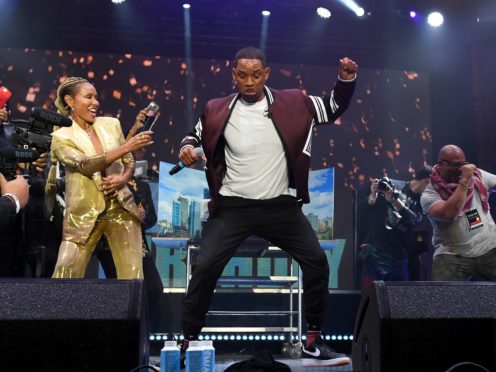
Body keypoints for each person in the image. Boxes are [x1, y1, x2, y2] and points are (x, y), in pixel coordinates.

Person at [176, 46, 357, 364]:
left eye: (256, 75)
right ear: (233, 75)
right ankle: (188, 340)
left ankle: (313, 342)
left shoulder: (295, 102)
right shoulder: (217, 108)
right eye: (243, 75)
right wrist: (187, 148)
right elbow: (194, 136)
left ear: (267, 74)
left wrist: (346, 79)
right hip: (233, 208)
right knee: (204, 268)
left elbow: (331, 107)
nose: (249, 81)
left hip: (281, 208)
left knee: (316, 262)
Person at [48, 76, 154, 279]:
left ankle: (130, 312)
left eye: (96, 97)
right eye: (88, 97)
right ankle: (57, 312)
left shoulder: (111, 124)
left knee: (133, 278)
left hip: (122, 208)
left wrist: (123, 179)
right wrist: (127, 146)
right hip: (83, 214)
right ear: (70, 101)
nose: (95, 103)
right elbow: (85, 165)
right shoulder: (61, 137)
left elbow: (129, 162)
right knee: (65, 274)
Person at [421, 144, 496, 281]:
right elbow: (450, 213)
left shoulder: (477, 177)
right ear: (441, 164)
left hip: (489, 247)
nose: (462, 169)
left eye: (464, 164)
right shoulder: (429, 194)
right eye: (457, 164)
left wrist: (468, 179)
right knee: (438, 298)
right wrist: (464, 182)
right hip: (453, 254)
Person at [358, 166, 432, 289]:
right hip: (376, 251)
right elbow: (364, 209)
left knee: (399, 298)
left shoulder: (421, 201)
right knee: (371, 298)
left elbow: (413, 220)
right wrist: (373, 194)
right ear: (427, 181)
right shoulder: (392, 184)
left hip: (399, 256)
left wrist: (394, 201)